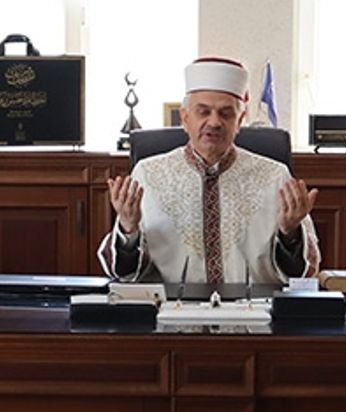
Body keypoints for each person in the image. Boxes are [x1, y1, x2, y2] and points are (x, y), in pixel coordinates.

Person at [97, 57, 321, 285]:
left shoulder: (275, 176)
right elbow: (124, 273)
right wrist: (128, 229)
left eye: (226, 114)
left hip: (255, 305)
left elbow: (303, 273)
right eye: (203, 112)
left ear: (240, 120)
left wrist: (290, 233)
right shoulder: (147, 174)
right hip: (171, 305)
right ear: (185, 118)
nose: (214, 122)